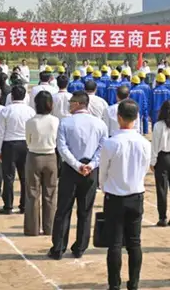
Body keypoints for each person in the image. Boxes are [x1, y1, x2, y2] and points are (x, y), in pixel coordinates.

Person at [48, 91, 108, 259]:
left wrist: (76, 165)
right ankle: (80, 247)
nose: (69, 104)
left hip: (70, 170)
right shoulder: (100, 124)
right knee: (85, 211)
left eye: (72, 102)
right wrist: (90, 165)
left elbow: (62, 148)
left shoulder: (66, 123)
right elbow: (102, 148)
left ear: (80, 103)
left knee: (63, 209)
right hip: (90, 171)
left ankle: (59, 247)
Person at [101, 99, 151, 290]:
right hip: (135, 196)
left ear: (118, 117)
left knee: (114, 243)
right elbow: (145, 168)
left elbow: (103, 171)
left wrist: (106, 185)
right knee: (134, 242)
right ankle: (134, 283)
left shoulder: (111, 143)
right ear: (136, 118)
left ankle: (114, 284)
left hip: (114, 196)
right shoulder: (144, 143)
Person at [0, 85, 36, 215]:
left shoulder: (6, 110)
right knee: (25, 177)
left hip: (9, 144)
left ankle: (8, 205)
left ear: (11, 96)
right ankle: (24, 205)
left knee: (8, 177)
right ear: (24, 96)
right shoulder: (30, 111)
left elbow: (0, 132)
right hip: (25, 144)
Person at [24, 91, 60, 237]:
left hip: (34, 156)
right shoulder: (55, 121)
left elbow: (28, 140)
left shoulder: (31, 121)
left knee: (32, 193)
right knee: (50, 193)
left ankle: (32, 229)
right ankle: (49, 227)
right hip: (51, 156)